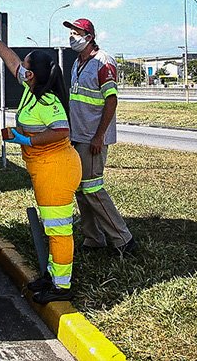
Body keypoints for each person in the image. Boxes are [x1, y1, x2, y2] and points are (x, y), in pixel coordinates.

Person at [0, 19, 82, 303]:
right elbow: (10, 60)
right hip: (44, 168)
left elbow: (63, 130)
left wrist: (26, 140)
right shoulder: (31, 88)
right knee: (53, 228)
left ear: (33, 74)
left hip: (57, 170)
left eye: (27, 66)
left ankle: (62, 287)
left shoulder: (48, 102)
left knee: (59, 230)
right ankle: (52, 276)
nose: (21, 68)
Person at [63, 18, 135, 256]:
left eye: (77, 32)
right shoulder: (78, 62)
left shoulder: (103, 62)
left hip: (93, 137)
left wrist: (99, 136)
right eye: (71, 32)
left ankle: (122, 238)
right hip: (78, 135)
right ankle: (93, 238)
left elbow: (111, 100)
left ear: (89, 36)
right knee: (81, 189)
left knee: (93, 188)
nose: (72, 36)